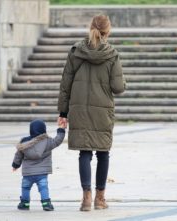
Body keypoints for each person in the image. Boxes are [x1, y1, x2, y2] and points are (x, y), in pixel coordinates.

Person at [57, 14, 126, 211]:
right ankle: (100, 198)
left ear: (91, 28)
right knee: (103, 154)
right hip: (102, 111)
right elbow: (118, 87)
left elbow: (65, 84)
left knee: (84, 153)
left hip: (79, 109)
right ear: (108, 30)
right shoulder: (112, 54)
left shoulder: (76, 51)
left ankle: (86, 199)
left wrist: (63, 112)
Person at [12, 119, 65, 211]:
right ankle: (46, 204)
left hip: (28, 173)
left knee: (25, 187)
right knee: (43, 187)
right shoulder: (48, 141)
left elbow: (18, 155)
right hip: (42, 173)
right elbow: (58, 140)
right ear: (44, 129)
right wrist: (61, 129)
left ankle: (25, 203)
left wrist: (15, 165)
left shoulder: (24, 143)